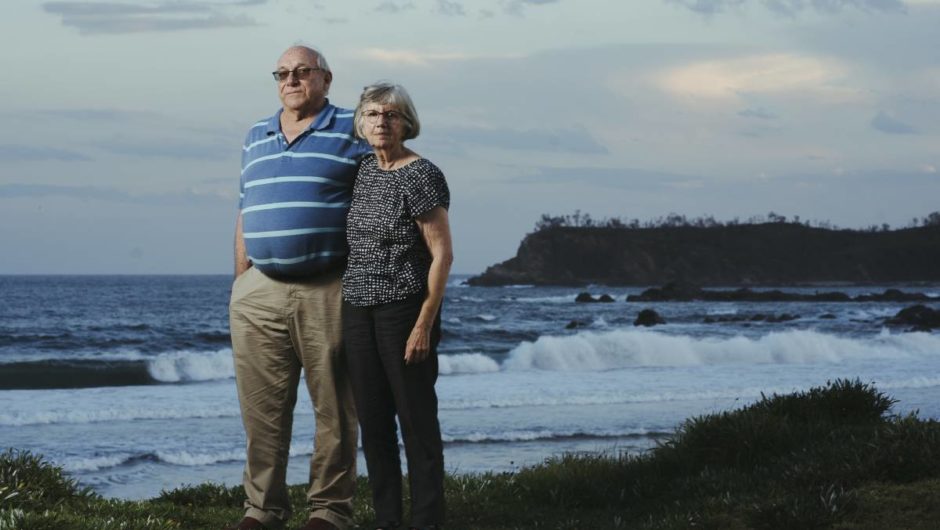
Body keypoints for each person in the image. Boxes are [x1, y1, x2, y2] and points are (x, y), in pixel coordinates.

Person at [227, 45, 372, 530]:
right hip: (259, 292)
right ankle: (262, 509)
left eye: (301, 72)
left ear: (326, 79)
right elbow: (246, 211)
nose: (290, 80)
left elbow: (385, 194)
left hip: (328, 286)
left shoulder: (355, 128)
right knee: (261, 410)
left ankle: (329, 511)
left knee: (334, 406)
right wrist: (241, 280)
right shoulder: (255, 135)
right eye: (282, 73)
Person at [342, 82, 453, 530]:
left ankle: (426, 520)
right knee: (373, 423)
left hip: (404, 308)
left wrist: (424, 324)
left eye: (391, 114)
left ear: (407, 122)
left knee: (416, 420)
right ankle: (388, 520)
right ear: (361, 123)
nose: (381, 122)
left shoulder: (422, 174)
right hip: (356, 308)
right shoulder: (363, 170)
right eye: (372, 114)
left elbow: (443, 255)